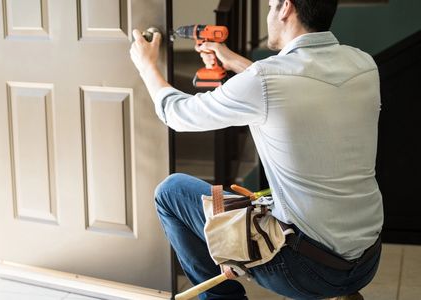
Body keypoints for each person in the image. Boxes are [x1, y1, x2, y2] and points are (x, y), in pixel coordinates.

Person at [130, 0, 383, 299]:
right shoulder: (364, 64)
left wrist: (147, 65)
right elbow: (292, 86)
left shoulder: (264, 78)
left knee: (171, 192)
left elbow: (177, 114)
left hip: (307, 269)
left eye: (271, 5)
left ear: (286, 7)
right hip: (367, 258)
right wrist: (233, 61)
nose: (268, 13)